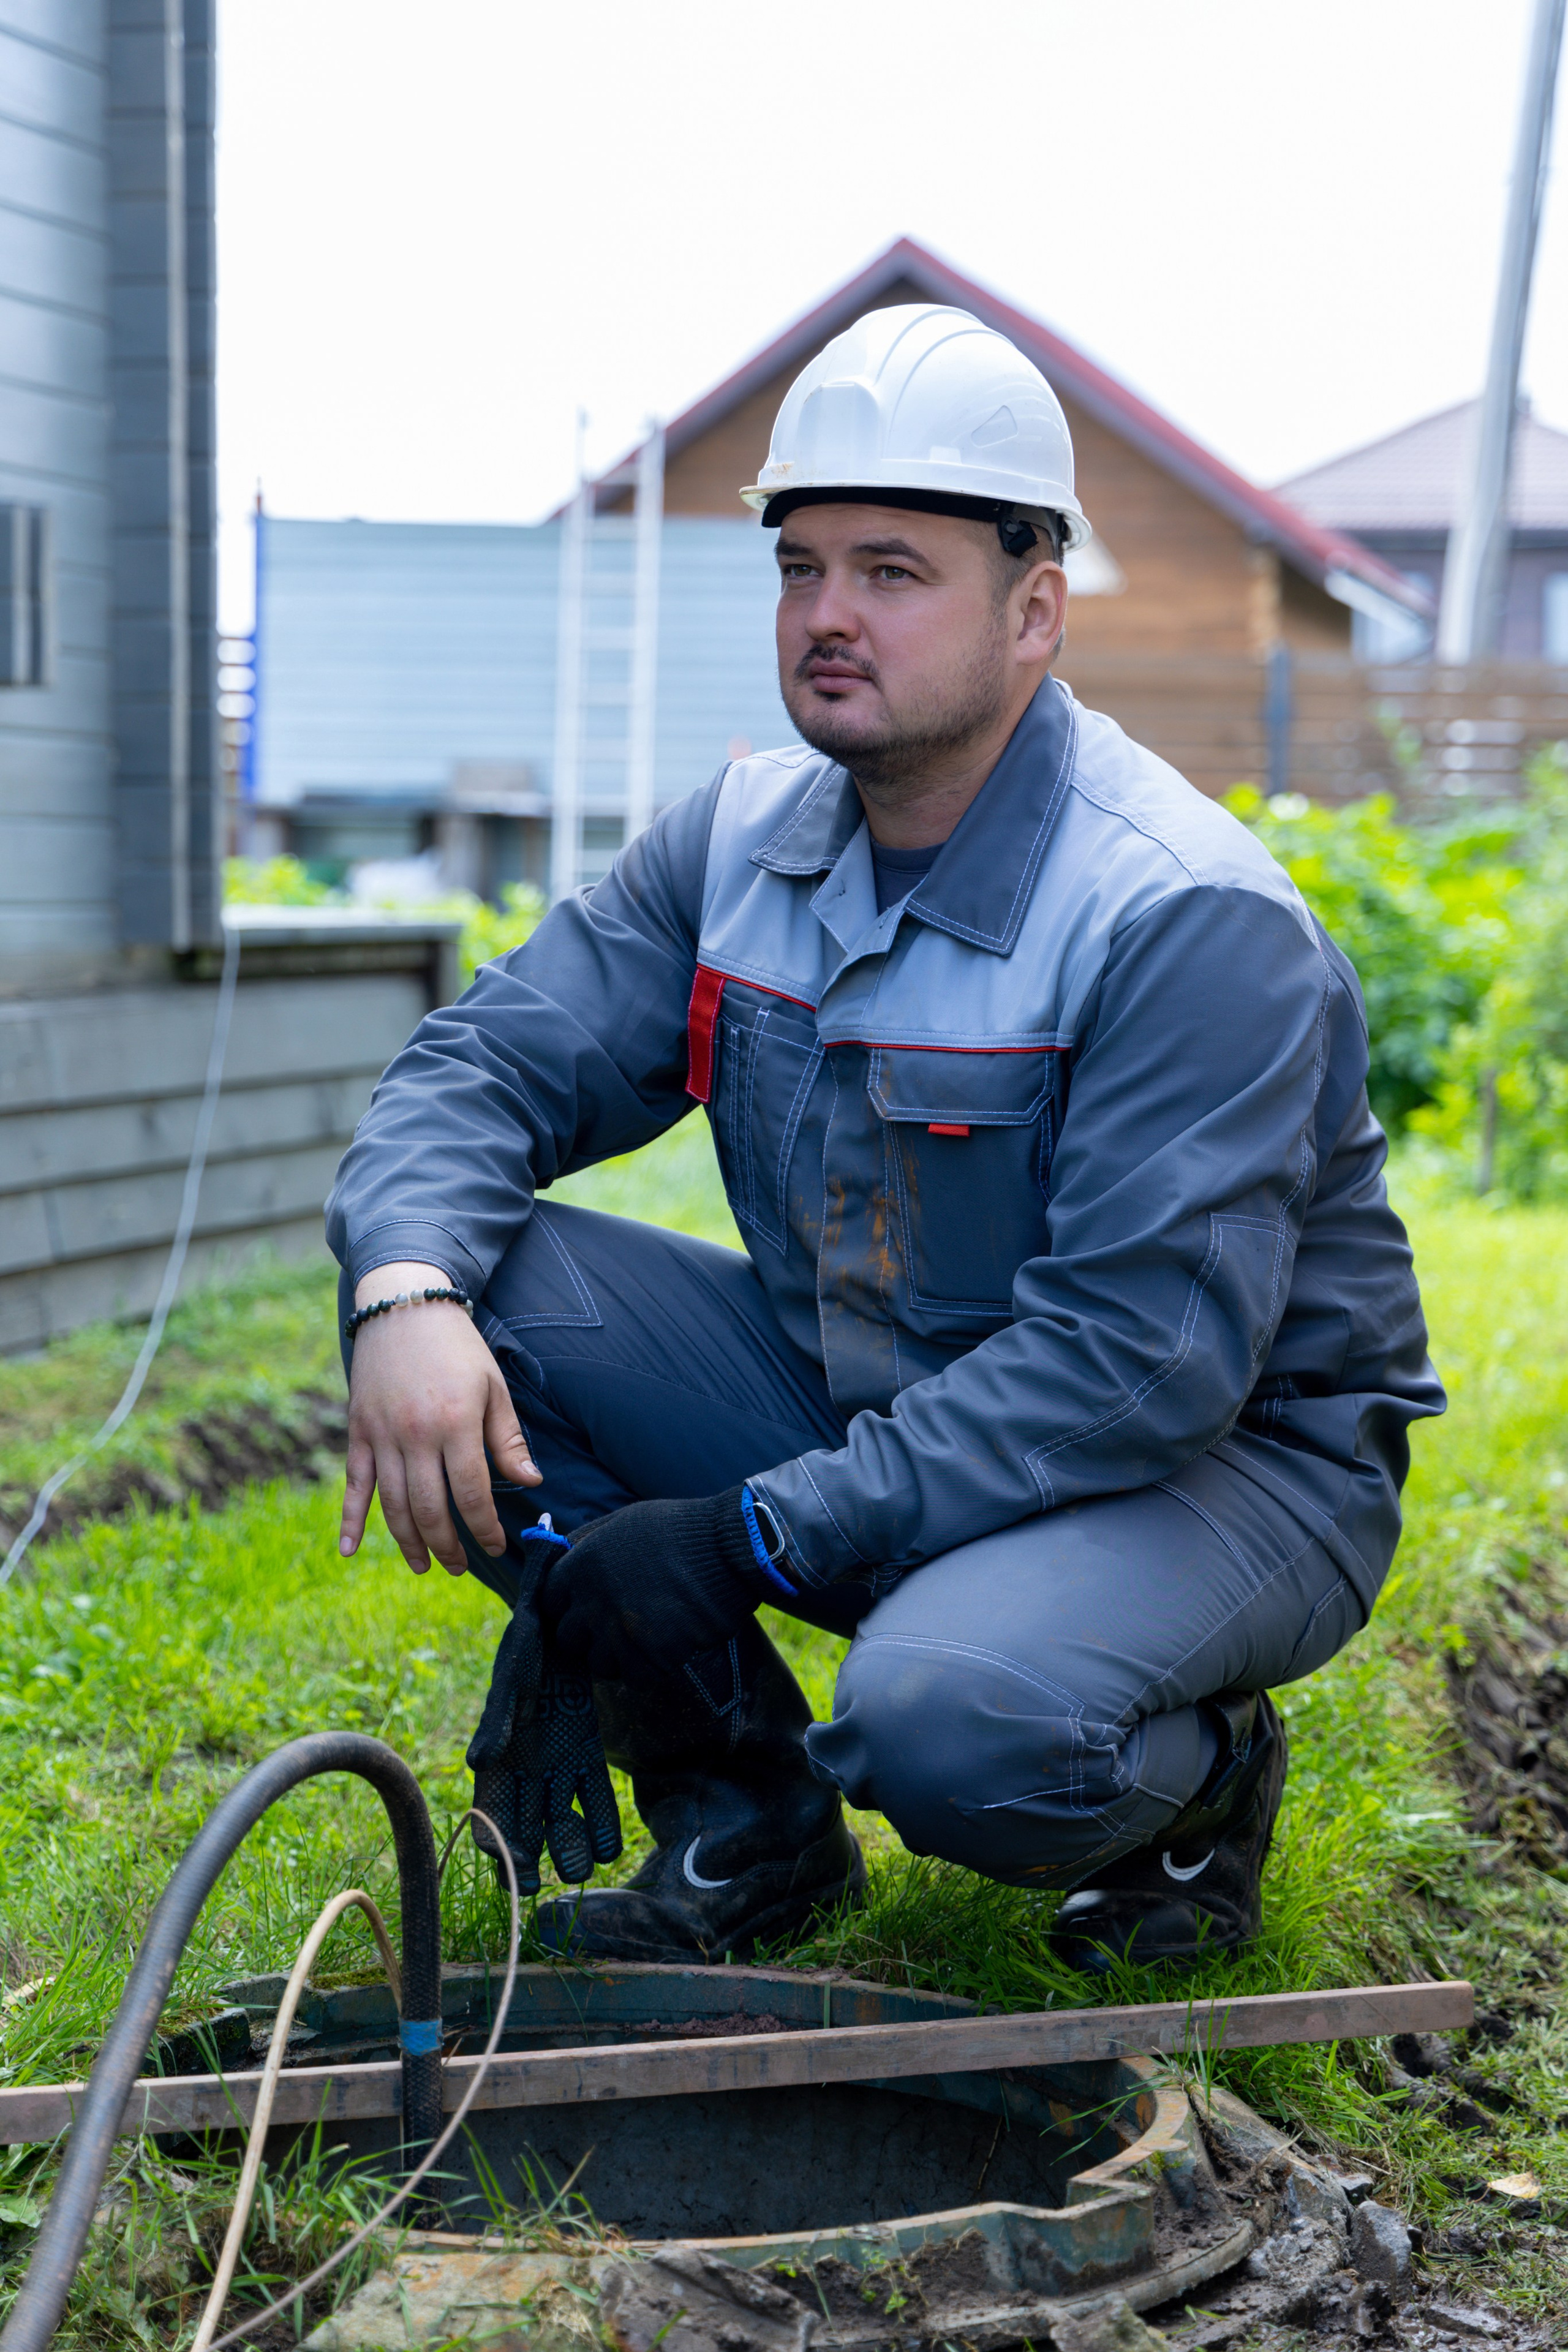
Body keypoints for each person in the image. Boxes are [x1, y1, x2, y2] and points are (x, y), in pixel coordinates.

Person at [326, 303, 1444, 1972]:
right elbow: (489, 1062)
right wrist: (405, 1295)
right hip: (882, 1402)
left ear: (1035, 610)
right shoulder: (743, 840)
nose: (828, 617)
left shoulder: (1183, 916)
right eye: (802, 568)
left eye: (894, 572)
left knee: (952, 1729)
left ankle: (1199, 1783)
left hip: (1214, 1470)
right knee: (473, 1287)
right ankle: (751, 1826)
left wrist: (746, 1539)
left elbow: (1137, 1370)